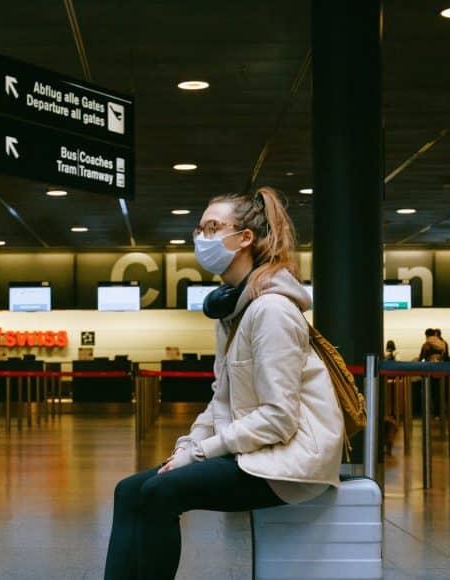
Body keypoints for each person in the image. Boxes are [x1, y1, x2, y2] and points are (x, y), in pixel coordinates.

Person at [104, 187, 345, 579]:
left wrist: (200, 455)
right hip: (257, 452)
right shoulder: (233, 311)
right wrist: (188, 445)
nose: (203, 237)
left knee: (161, 493)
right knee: (129, 491)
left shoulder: (271, 310)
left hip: (289, 463)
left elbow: (279, 418)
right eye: (199, 228)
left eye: (213, 227)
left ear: (245, 238)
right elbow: (221, 399)